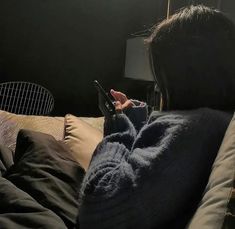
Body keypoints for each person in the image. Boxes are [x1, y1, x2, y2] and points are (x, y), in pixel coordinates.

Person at [77, 5, 235, 229]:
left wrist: (118, 126)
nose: (160, 84)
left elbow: (99, 208)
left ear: (186, 72)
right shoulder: (215, 120)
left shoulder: (194, 129)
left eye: (162, 72)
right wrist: (134, 117)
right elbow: (152, 165)